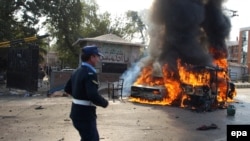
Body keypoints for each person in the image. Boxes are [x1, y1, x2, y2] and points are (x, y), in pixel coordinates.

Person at [64, 45, 109, 141]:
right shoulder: (90, 73)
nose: (98, 59)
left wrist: (80, 96)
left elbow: (67, 89)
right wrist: (104, 103)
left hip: (76, 112)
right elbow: (92, 95)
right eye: (97, 56)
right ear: (92, 57)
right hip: (85, 115)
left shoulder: (77, 71)